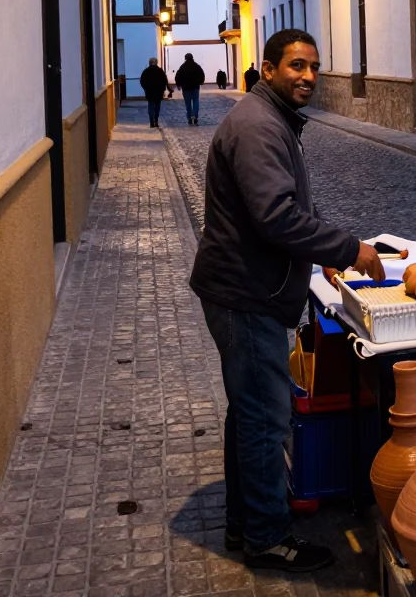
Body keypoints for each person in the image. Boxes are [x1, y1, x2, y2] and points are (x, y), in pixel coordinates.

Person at [189, 29, 385, 572]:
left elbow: (292, 205)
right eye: (296, 65)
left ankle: (244, 522)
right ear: (269, 69)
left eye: (313, 67)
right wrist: (349, 248)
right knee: (265, 419)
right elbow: (274, 216)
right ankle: (268, 539)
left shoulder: (271, 118)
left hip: (244, 289)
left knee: (248, 413)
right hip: (245, 294)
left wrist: (320, 248)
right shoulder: (257, 126)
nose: (307, 76)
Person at [175, 52, 206, 125]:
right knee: (196, 102)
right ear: (192, 58)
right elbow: (202, 74)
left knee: (188, 103)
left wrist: (178, 84)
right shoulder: (196, 66)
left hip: (186, 88)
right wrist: (201, 82)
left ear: (185, 58)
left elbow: (178, 76)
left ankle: (189, 118)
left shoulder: (182, 67)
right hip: (195, 87)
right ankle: (195, 116)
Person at [139, 58, 169, 128]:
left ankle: (151, 121)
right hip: (158, 92)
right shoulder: (160, 71)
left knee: (151, 106)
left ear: (149, 63)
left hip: (149, 92)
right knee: (157, 107)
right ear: (156, 62)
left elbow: (142, 81)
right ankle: (156, 121)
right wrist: (163, 89)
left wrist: (145, 88)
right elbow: (165, 81)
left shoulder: (146, 71)